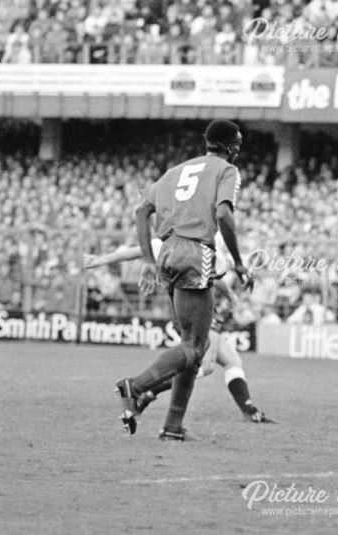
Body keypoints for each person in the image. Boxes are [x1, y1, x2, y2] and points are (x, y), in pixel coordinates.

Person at [114, 120, 252, 441]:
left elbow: (140, 211)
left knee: (191, 346)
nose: (239, 149)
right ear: (231, 146)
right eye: (239, 143)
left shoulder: (174, 171)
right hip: (194, 251)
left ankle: (173, 427)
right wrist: (240, 263)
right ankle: (135, 387)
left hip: (168, 254)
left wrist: (149, 261)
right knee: (196, 345)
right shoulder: (226, 171)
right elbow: (223, 215)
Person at [85, 237, 272, 424]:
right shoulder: (202, 233)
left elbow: (137, 251)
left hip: (196, 307)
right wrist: (231, 291)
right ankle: (148, 391)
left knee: (232, 360)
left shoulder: (183, 231)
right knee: (204, 366)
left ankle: (248, 411)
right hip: (200, 309)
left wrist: (102, 260)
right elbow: (140, 250)